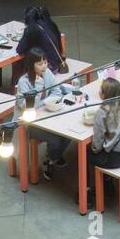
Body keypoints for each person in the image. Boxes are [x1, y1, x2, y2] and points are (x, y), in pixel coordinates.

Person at [15, 47, 77, 179]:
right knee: (55, 138)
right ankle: (52, 158)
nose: (44, 66)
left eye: (45, 62)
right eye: (39, 63)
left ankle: (52, 157)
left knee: (69, 133)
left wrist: (44, 103)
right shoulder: (24, 82)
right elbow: (28, 106)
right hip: (28, 123)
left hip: (46, 114)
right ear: (31, 65)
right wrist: (39, 91)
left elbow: (57, 92)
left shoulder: (47, 72)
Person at [85, 77, 120, 199]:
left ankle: (93, 190)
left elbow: (97, 145)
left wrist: (93, 149)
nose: (99, 92)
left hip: (116, 158)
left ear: (105, 94)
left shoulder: (103, 111)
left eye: (101, 90)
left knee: (87, 153)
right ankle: (106, 180)